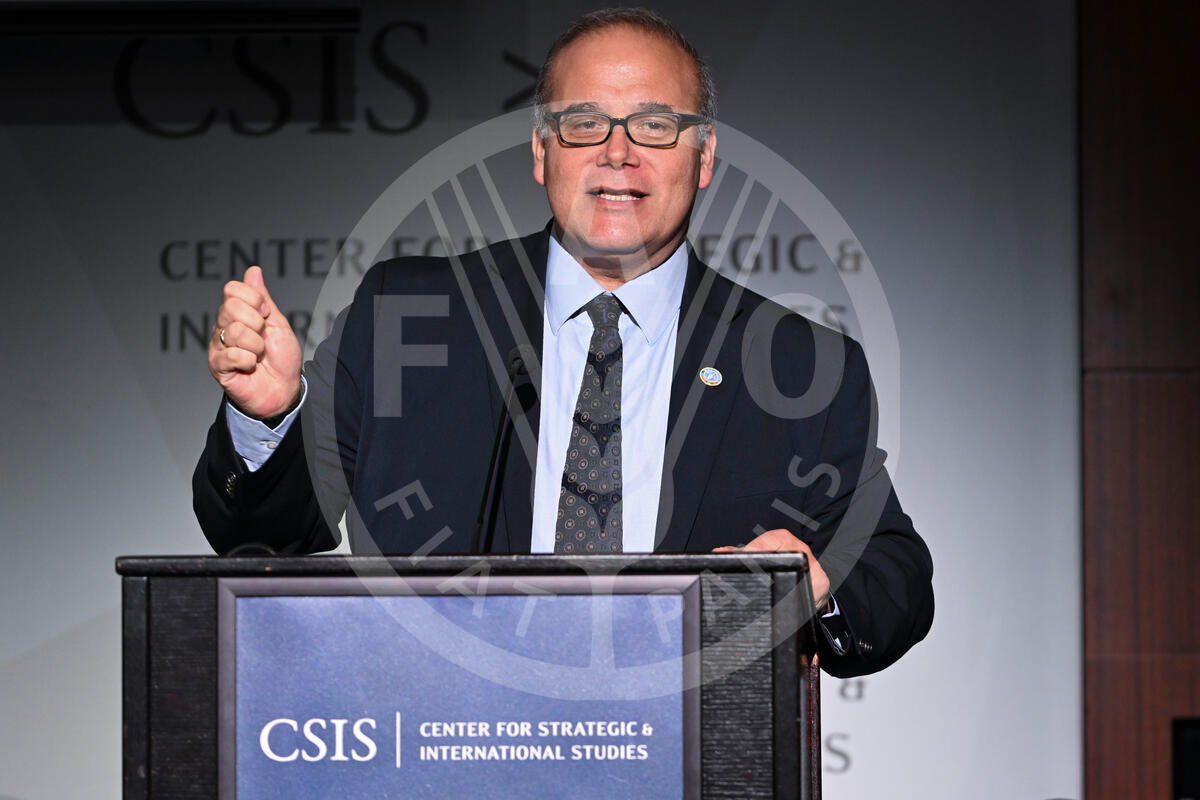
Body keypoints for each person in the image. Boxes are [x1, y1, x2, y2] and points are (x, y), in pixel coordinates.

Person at [194, 8, 932, 678]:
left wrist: (819, 585)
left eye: (655, 125)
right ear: (543, 151)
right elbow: (268, 537)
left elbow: (894, 575)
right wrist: (269, 416)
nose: (618, 153)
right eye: (585, 123)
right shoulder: (408, 317)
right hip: (433, 737)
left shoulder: (800, 362)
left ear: (704, 157)